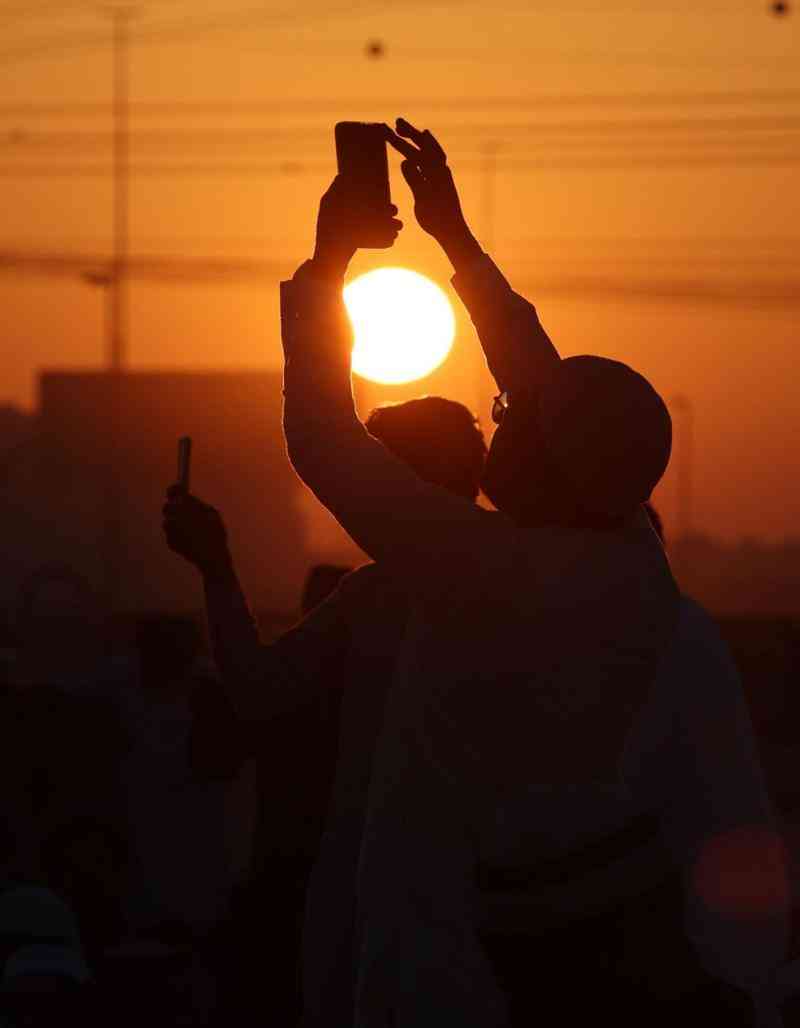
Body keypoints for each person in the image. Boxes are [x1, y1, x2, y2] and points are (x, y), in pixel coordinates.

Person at [277, 119, 789, 1026]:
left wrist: (328, 260)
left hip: (453, 983)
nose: (501, 413)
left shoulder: (483, 570)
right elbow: (551, 395)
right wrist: (455, 239)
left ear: (545, 465)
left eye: (512, 420)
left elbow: (323, 439)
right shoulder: (630, 557)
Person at [162, 395, 488, 1026]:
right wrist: (217, 568)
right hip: (412, 905)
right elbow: (260, 691)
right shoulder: (378, 595)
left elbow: (257, 692)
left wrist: (217, 568)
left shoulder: (383, 596)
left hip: (413, 906)